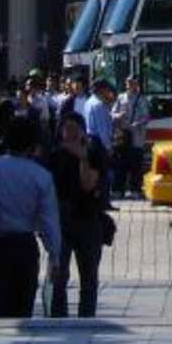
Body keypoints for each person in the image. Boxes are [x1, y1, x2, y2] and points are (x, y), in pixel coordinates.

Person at [0, 114, 61, 319]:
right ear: (33, 144)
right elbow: (49, 221)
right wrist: (54, 254)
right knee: (22, 308)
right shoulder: (41, 176)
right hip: (24, 246)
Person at [47, 110, 107, 317]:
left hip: (88, 219)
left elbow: (88, 185)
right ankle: (58, 318)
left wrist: (83, 157)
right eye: (66, 129)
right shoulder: (54, 154)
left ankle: (87, 318)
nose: (70, 133)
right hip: (60, 221)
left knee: (89, 277)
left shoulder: (94, 150)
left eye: (75, 129)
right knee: (58, 276)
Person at [111, 76, 150, 198]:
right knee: (120, 165)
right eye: (128, 83)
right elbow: (112, 113)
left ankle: (135, 190)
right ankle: (118, 190)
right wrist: (118, 116)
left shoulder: (141, 99)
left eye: (133, 83)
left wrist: (137, 124)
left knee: (136, 165)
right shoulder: (120, 98)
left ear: (136, 85)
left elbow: (146, 117)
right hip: (123, 137)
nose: (130, 86)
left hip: (136, 137)